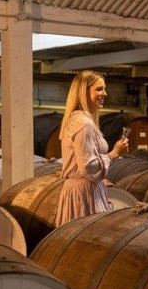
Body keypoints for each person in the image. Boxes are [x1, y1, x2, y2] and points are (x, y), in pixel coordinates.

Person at [55, 70, 129, 226]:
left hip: (83, 189)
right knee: (87, 243)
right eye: (99, 89)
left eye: (104, 89)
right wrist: (114, 153)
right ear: (84, 92)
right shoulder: (84, 124)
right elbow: (88, 168)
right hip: (84, 194)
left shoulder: (78, 120)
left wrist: (99, 179)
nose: (105, 93)